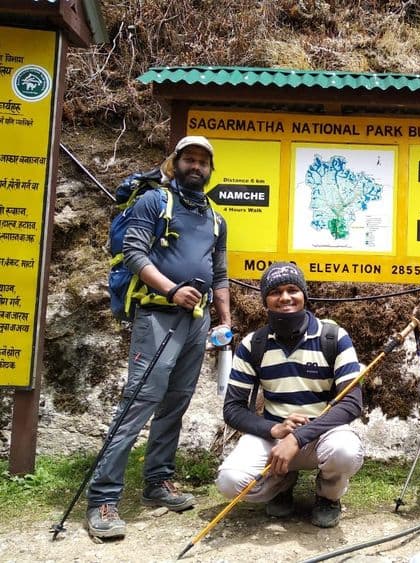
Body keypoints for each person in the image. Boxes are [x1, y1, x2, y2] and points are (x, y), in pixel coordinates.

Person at [86, 136, 231, 538]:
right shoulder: (154, 202)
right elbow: (134, 254)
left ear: (210, 170)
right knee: (139, 402)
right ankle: (102, 498)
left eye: (203, 162)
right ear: (176, 162)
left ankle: (158, 481)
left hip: (197, 320)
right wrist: (172, 290)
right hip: (157, 315)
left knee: (176, 403)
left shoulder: (216, 218)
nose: (196, 167)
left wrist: (224, 320)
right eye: (189, 159)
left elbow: (219, 273)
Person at [216, 262, 364, 528]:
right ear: (265, 300)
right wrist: (274, 430)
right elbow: (233, 409)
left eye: (292, 290)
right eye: (275, 292)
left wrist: (297, 437)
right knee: (229, 481)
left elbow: (352, 402)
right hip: (275, 438)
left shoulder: (333, 337)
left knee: (345, 451)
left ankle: (328, 496)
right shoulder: (253, 344)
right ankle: (282, 482)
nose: (285, 297)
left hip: (322, 434)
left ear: (304, 295)